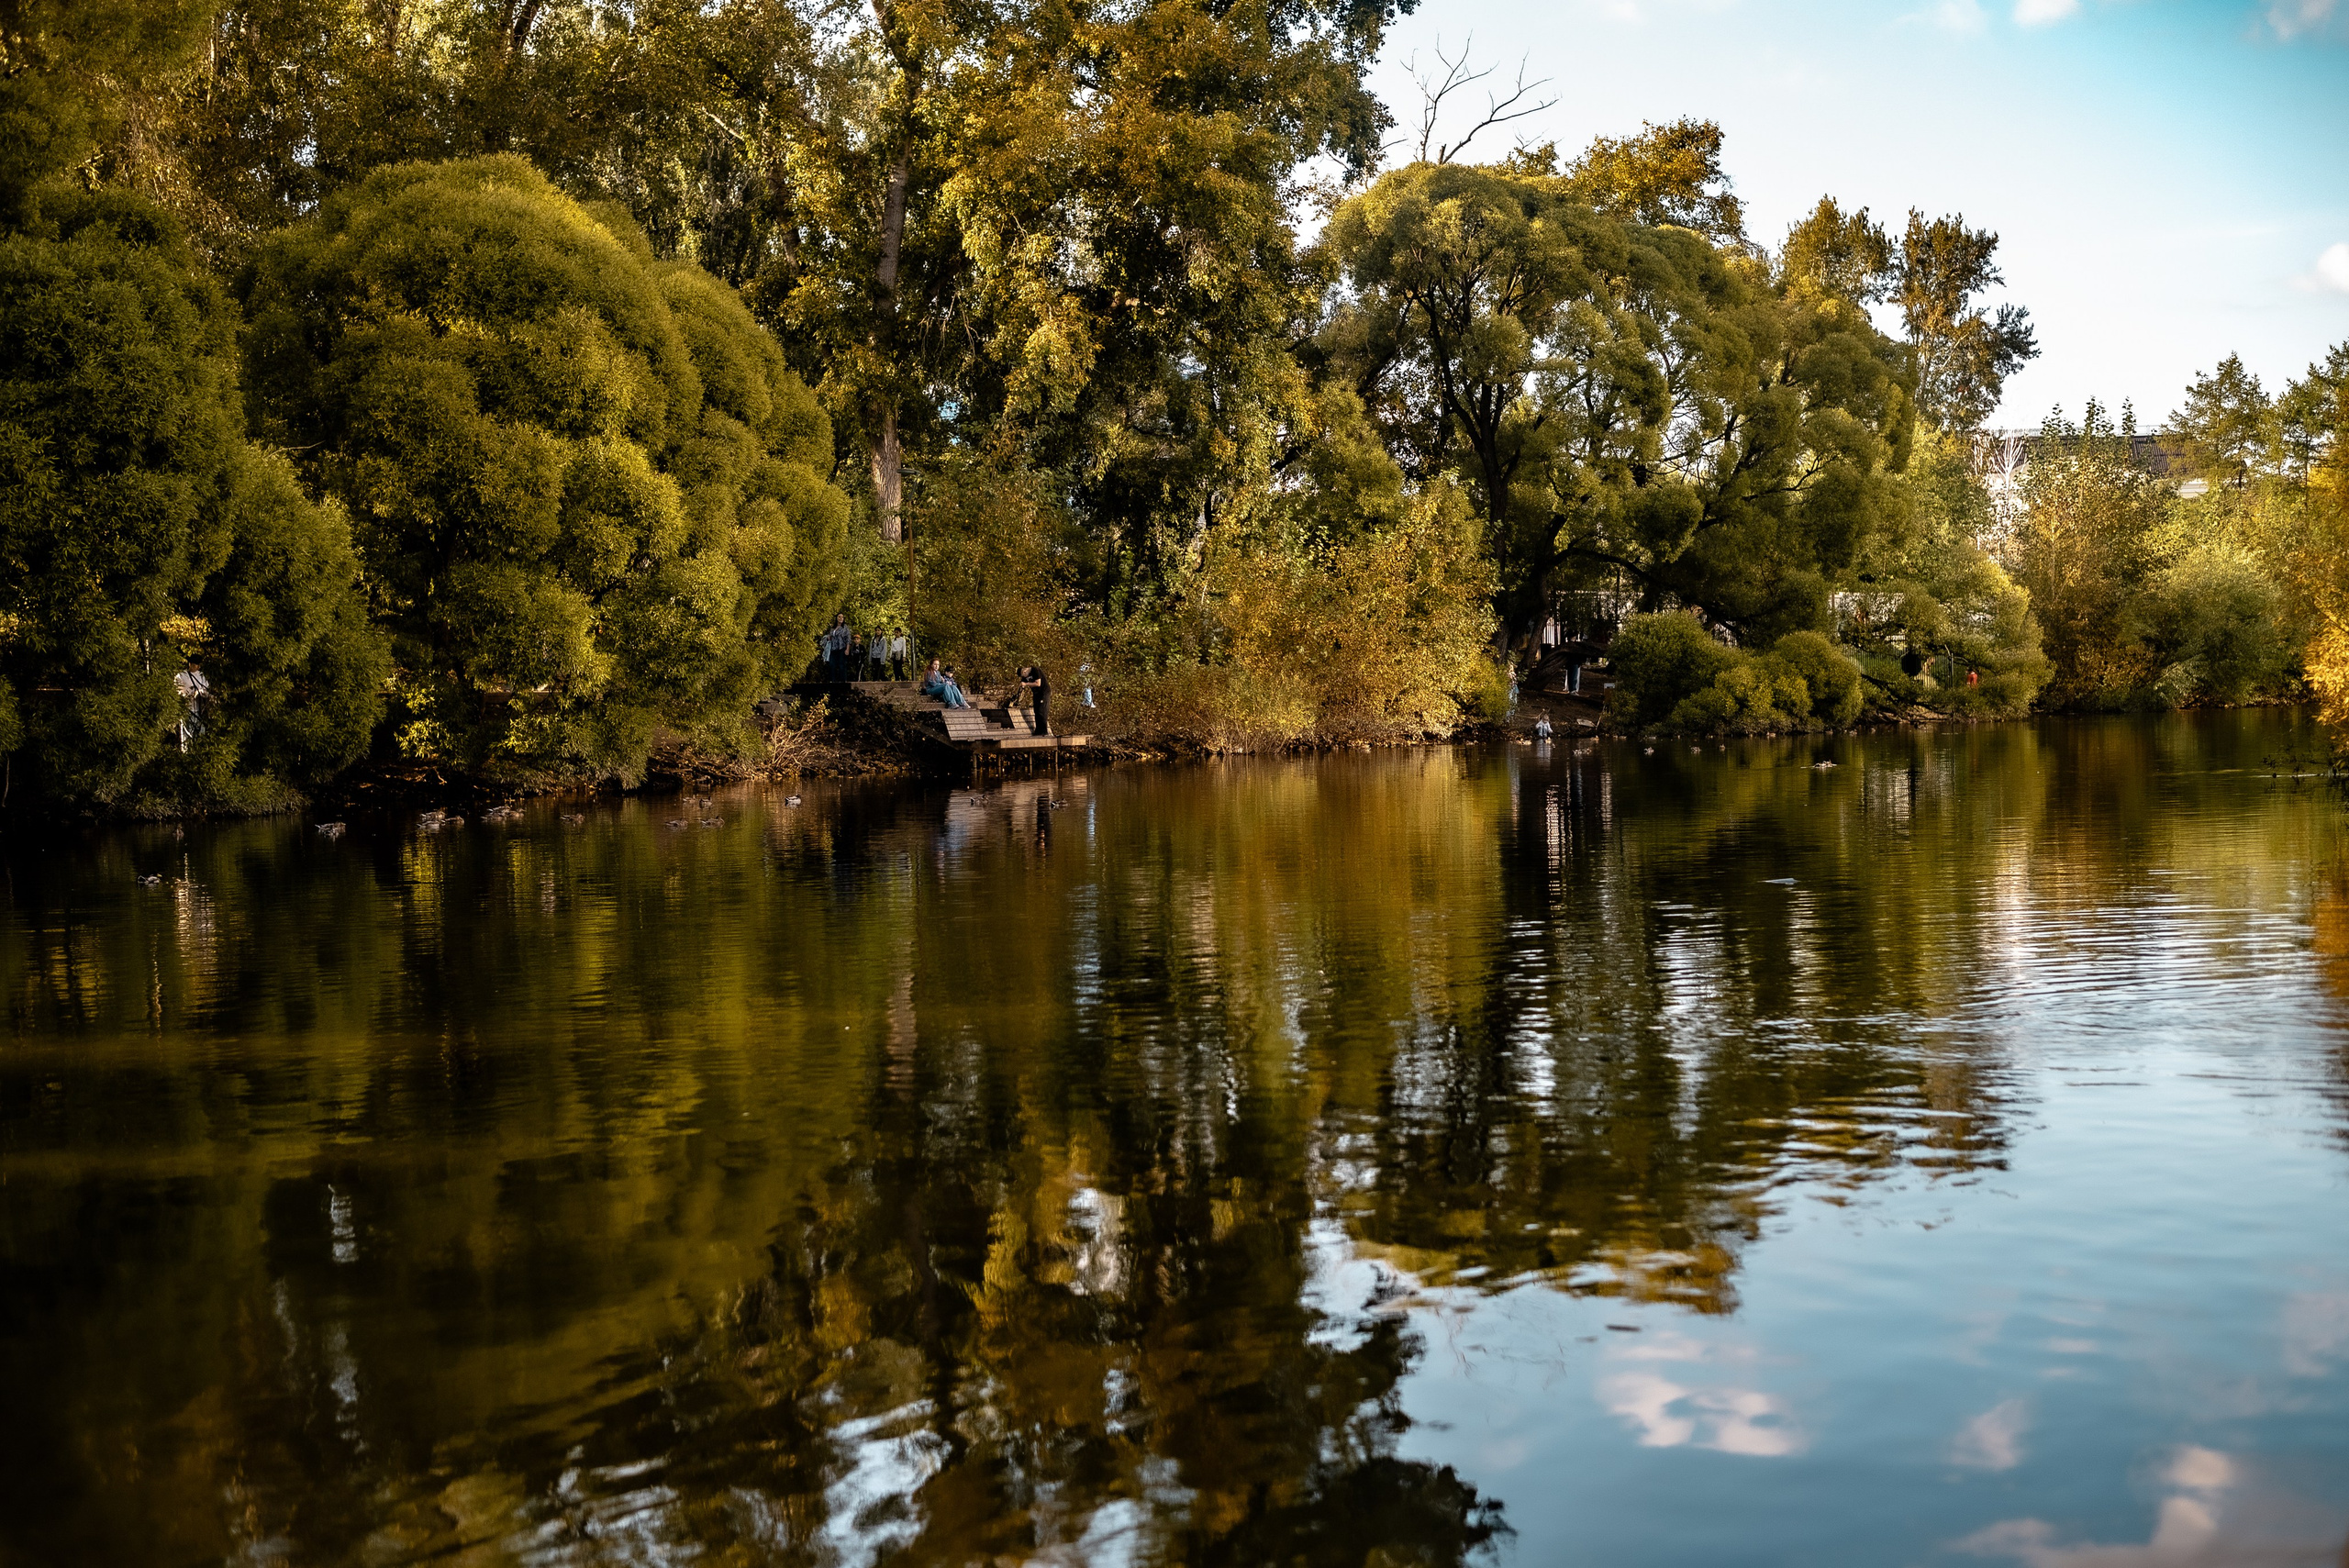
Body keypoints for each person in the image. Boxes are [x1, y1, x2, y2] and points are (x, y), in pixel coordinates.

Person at [1019, 663, 1051, 734]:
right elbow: (1022, 685)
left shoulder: (1035, 670)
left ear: (1024, 672)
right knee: (1036, 710)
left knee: (1041, 710)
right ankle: (1038, 730)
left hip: (1044, 692)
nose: (1024, 677)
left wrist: (1026, 684)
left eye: (1024, 676)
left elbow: (1038, 684)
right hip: (1036, 693)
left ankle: (1043, 731)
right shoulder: (1025, 677)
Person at [821, 613, 852, 680]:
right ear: (836, 618)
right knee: (832, 665)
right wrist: (828, 638)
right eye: (839, 617)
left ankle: (843, 681)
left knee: (841, 665)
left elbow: (848, 639)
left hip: (841, 648)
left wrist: (847, 649)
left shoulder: (845, 627)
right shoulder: (833, 628)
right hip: (833, 649)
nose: (841, 618)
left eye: (842, 617)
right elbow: (830, 636)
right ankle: (833, 681)